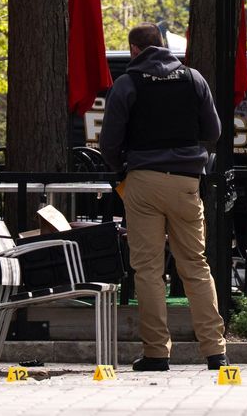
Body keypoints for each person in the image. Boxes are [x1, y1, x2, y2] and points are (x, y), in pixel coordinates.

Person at [99, 23, 227, 372]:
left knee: (148, 270)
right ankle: (215, 351)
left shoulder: (127, 84)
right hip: (186, 181)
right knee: (196, 266)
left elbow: (109, 141)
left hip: (143, 181)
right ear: (164, 47)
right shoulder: (193, 78)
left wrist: (121, 169)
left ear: (135, 50)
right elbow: (213, 131)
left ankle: (157, 353)